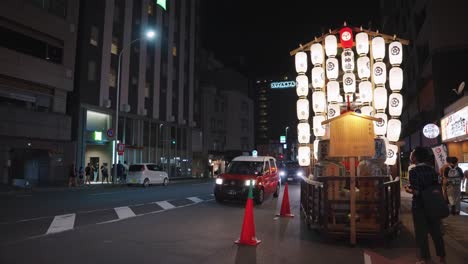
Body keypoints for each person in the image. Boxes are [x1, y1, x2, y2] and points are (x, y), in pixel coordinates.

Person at [404, 147, 446, 264]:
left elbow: (416, 191)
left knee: (421, 233)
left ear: (416, 157)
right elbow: (437, 187)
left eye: (412, 154)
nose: (410, 156)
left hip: (420, 206)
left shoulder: (414, 171)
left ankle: (424, 259)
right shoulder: (433, 170)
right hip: (434, 205)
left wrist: (408, 190)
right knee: (436, 232)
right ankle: (442, 258)